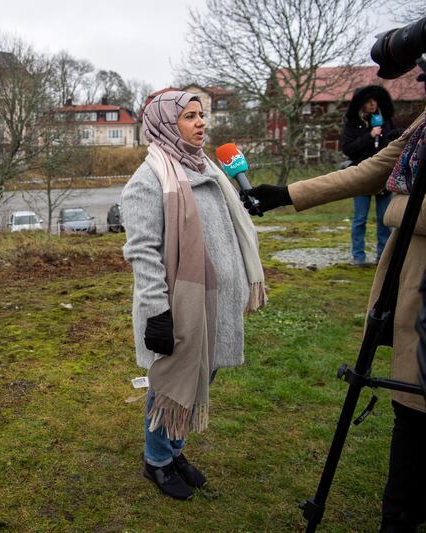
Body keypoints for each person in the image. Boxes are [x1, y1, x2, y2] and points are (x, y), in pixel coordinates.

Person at [245, 108, 426, 533]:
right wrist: (286, 194)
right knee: (411, 410)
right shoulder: (423, 123)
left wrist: (402, 206)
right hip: (409, 267)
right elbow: (374, 168)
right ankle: (398, 516)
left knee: (417, 403)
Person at [121, 91, 267, 501]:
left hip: (216, 303)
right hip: (178, 308)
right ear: (167, 124)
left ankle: (175, 449)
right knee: (172, 383)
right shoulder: (148, 181)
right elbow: (142, 252)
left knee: (204, 376)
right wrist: (156, 313)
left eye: (202, 115)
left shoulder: (210, 168)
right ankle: (158, 461)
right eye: (189, 116)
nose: (201, 123)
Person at [341, 85, 401, 266]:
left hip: (383, 176)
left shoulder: (385, 121)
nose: (372, 104)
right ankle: (358, 257)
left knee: (385, 218)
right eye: (368, 101)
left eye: (374, 100)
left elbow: (393, 143)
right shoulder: (353, 124)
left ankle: (383, 256)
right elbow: (348, 149)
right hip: (362, 175)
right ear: (361, 104)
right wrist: (369, 135)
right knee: (360, 219)